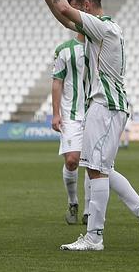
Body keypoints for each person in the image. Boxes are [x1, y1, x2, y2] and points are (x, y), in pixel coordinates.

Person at [34, 0, 139, 251]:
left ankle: (95, 236)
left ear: (88, 6)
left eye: (80, 8)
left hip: (106, 103)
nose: (78, 16)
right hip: (107, 104)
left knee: (95, 169)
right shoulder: (101, 28)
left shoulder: (105, 28)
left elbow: (67, 12)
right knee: (101, 167)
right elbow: (65, 18)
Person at [51, 32, 90, 225]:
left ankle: (90, 210)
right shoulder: (64, 49)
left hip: (95, 112)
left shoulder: (101, 45)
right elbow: (57, 82)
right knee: (73, 160)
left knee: (93, 164)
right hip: (71, 114)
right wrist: (56, 113)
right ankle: (73, 202)